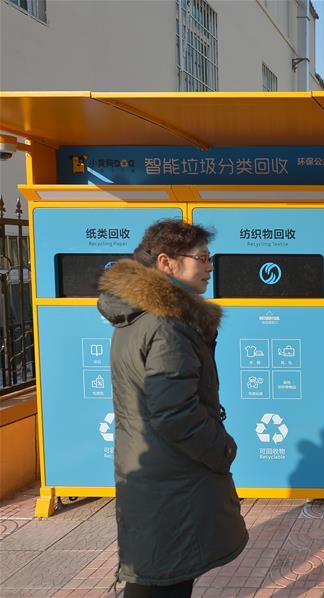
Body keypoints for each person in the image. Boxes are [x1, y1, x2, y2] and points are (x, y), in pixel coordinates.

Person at [97, 220, 247, 597]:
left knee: (156, 576)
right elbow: (174, 412)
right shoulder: (166, 325)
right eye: (202, 258)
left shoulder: (139, 316)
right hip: (173, 480)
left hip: (155, 473)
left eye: (210, 258)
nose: (210, 267)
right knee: (163, 582)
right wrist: (223, 449)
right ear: (166, 263)